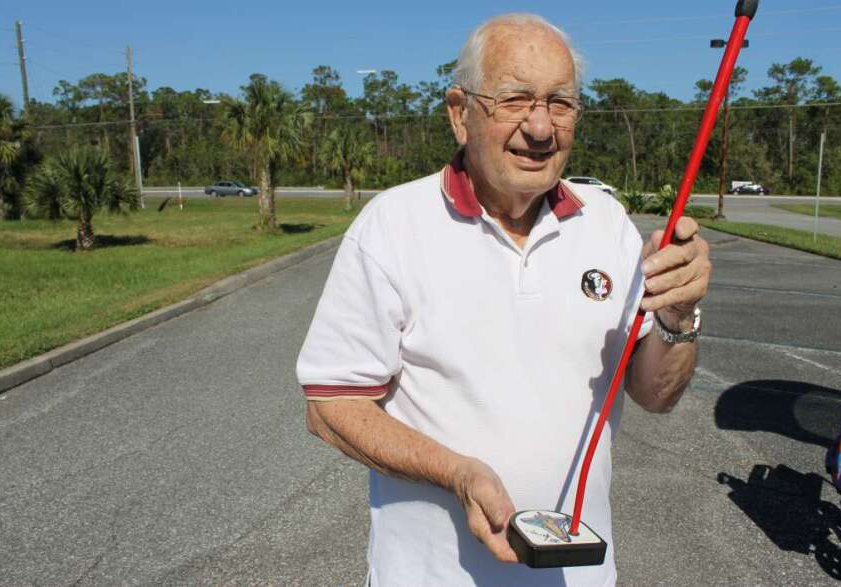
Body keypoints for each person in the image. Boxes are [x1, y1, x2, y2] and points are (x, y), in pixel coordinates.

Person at [296, 13, 711, 586]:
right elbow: (331, 407)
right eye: (515, 99)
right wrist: (458, 474)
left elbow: (656, 396)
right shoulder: (392, 226)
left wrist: (675, 317)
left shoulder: (607, 225)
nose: (541, 127)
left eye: (560, 103)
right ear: (460, 113)